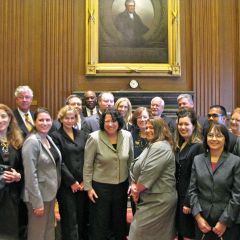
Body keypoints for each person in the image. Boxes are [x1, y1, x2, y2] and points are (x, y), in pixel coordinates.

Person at [83, 109, 134, 240]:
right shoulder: (94, 137)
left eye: (113, 120)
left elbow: (131, 162)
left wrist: (131, 182)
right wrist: (88, 188)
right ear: (102, 122)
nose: (110, 124)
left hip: (121, 187)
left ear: (119, 121)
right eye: (107, 121)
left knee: (119, 222)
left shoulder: (127, 136)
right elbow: (87, 165)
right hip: (100, 188)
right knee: (100, 223)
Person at [188, 123, 240, 240]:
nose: (214, 139)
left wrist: (224, 222)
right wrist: (198, 218)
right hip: (202, 221)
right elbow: (192, 191)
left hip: (228, 222)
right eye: (210, 135)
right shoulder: (198, 160)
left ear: (225, 139)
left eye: (219, 135)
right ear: (206, 138)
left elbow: (237, 195)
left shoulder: (236, 161)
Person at [128, 118, 177, 240]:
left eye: (152, 128)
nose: (148, 130)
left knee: (137, 234)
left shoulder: (160, 147)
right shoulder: (151, 145)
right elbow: (135, 166)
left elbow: (148, 173)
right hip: (150, 198)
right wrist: (133, 184)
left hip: (158, 200)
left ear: (161, 130)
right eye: (147, 127)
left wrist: (136, 190)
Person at [22, 108, 62, 240]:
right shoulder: (32, 141)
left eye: (48, 120)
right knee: (37, 234)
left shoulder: (48, 138)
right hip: (38, 196)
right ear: (35, 122)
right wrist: (37, 202)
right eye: (41, 120)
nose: (45, 123)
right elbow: (30, 174)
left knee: (49, 231)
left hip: (50, 194)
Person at [50, 106, 89, 240]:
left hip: (83, 185)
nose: (69, 120)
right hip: (66, 186)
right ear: (61, 119)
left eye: (72, 118)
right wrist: (72, 181)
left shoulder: (82, 135)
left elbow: (88, 158)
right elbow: (58, 161)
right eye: (67, 118)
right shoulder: (55, 136)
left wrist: (85, 180)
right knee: (69, 221)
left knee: (82, 219)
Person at [174, 109, 204, 240]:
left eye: (186, 124)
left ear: (194, 125)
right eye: (180, 124)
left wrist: (188, 202)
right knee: (180, 232)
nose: (182, 127)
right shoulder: (179, 144)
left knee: (188, 234)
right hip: (177, 197)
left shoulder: (198, 147)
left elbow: (196, 177)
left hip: (188, 199)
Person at [13, 85, 34, 240]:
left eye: (27, 97)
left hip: (34, 172)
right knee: (19, 214)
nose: (25, 99)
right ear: (16, 99)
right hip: (18, 172)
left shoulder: (37, 116)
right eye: (22, 97)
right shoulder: (10, 117)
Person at [0, 104, 23, 240]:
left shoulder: (18, 141)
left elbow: (23, 168)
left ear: (10, 118)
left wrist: (18, 175)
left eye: (3, 116)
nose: (0, 120)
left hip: (12, 195)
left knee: (11, 233)